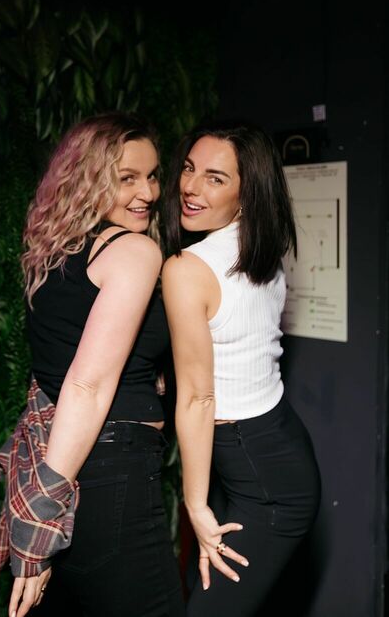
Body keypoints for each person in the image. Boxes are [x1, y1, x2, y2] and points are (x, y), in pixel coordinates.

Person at [0, 113, 184, 617]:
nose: (147, 192)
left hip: (77, 459)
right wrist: (42, 518)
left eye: (152, 175)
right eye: (127, 178)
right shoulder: (133, 251)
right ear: (89, 179)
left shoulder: (54, 250)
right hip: (111, 471)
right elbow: (86, 385)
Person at [162, 123, 321, 617]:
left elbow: (198, 398)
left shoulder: (188, 268)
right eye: (189, 169)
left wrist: (194, 506)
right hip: (272, 448)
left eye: (215, 178)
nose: (191, 187)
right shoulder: (261, 249)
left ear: (247, 194)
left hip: (263, 479)